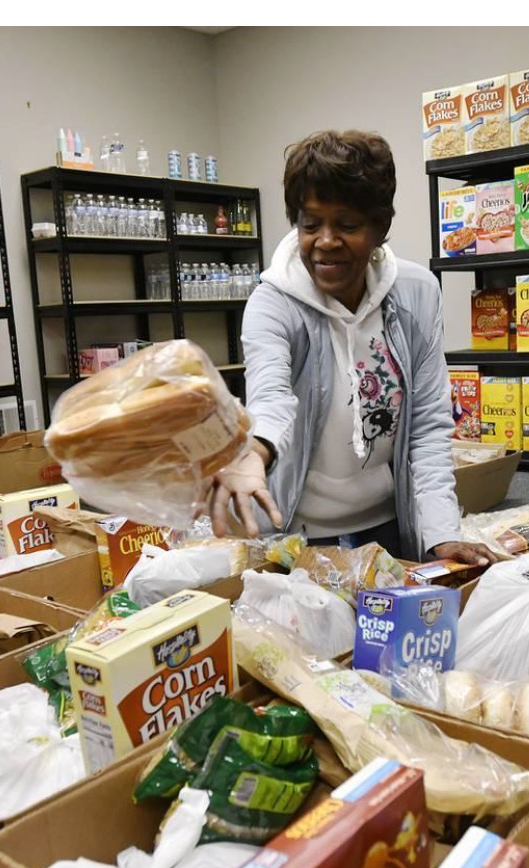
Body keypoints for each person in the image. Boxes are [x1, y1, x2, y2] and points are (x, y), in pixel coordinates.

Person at [211, 130, 498, 568]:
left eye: (347, 225)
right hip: (298, 535)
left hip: (388, 525)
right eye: (310, 224)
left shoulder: (416, 293)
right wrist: (253, 453)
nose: (325, 241)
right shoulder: (273, 302)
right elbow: (271, 398)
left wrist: (440, 534)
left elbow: (427, 426)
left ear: (380, 227)